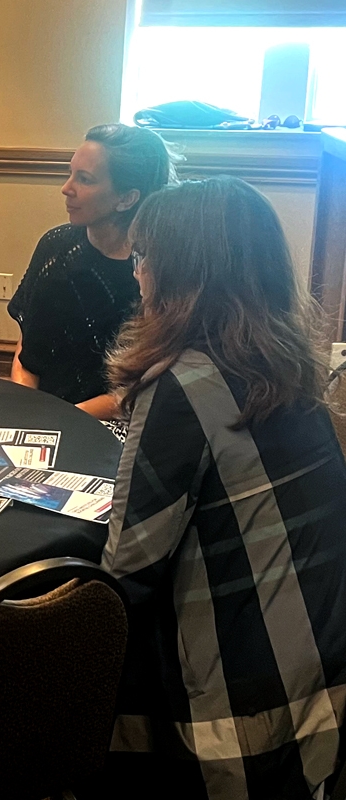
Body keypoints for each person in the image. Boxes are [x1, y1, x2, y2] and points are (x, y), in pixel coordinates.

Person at [99, 176, 346, 799]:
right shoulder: (290, 360)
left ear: (183, 272)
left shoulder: (181, 386)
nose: (138, 274)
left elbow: (127, 572)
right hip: (325, 679)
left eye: (145, 257)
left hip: (239, 722)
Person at [9, 123, 177, 419]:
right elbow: (29, 347)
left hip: (120, 421)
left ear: (126, 198)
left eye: (84, 179)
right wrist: (24, 407)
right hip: (48, 415)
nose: (66, 188)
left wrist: (67, 419)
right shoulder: (55, 246)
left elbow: (144, 387)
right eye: (70, 173)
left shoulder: (158, 267)